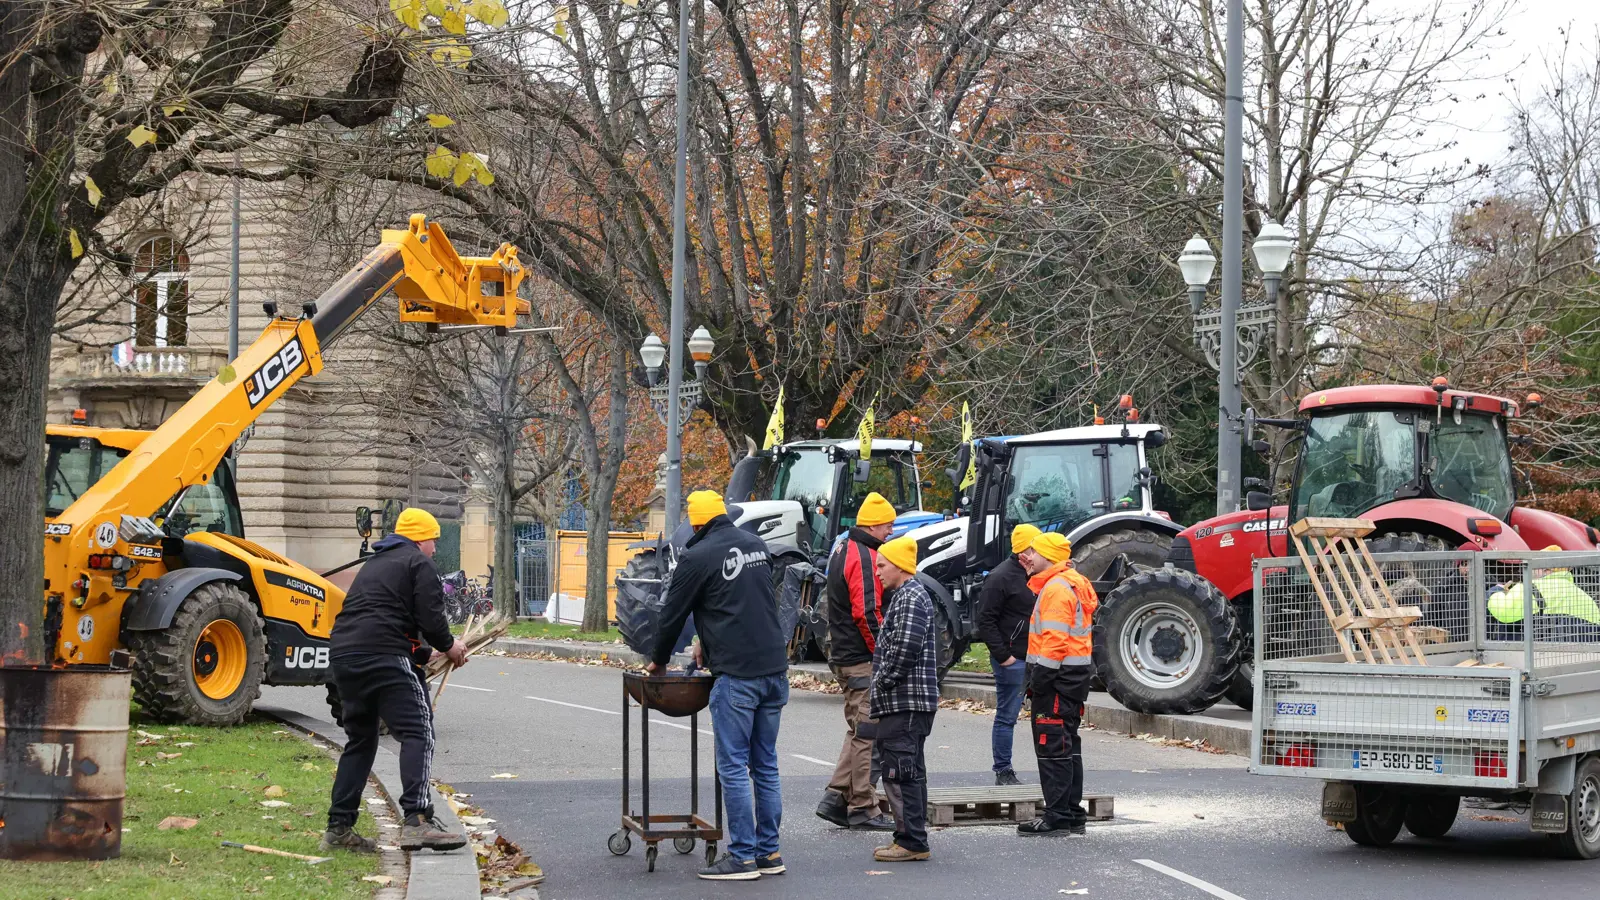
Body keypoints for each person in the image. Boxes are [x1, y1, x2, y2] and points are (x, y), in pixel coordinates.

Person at [650, 491, 790, 881]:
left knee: (732, 765)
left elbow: (672, 615)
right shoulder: (756, 545)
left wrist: (659, 661)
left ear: (696, 524)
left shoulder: (697, 556)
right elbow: (742, 603)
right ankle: (769, 852)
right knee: (765, 764)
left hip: (739, 677)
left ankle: (742, 857)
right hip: (775, 670)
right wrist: (704, 641)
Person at [323, 508, 470, 854]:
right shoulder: (419, 563)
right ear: (421, 538)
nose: (435, 548)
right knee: (419, 730)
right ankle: (417, 821)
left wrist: (422, 655)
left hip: (345, 656)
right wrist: (450, 646)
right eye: (433, 540)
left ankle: (339, 828)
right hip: (384, 656)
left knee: (360, 740)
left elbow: (379, 615)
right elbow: (431, 618)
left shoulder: (375, 564)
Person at [816, 491, 898, 831]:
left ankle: (836, 797)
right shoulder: (864, 556)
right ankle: (862, 805)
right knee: (867, 731)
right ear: (875, 525)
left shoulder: (843, 547)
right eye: (888, 527)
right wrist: (883, 652)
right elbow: (866, 611)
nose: (891, 533)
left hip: (843, 652)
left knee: (857, 729)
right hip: (859, 656)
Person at [1017, 531, 1098, 836]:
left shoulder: (1055, 590)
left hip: (1056, 681)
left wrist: (1038, 682)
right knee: (1067, 748)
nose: (1029, 557)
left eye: (1034, 553)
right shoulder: (1072, 584)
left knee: (1052, 749)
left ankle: (1057, 817)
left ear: (1048, 557)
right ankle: (1071, 812)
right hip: (1071, 681)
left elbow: (1053, 644)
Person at [867, 535, 940, 863]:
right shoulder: (906, 595)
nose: (878, 571)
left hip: (904, 702)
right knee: (908, 769)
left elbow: (904, 650)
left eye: (882, 565)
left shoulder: (910, 597)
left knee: (900, 770)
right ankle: (911, 835)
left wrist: (882, 681)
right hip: (906, 702)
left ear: (899, 565)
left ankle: (911, 840)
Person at [977, 523, 1041, 785]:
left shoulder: (1037, 574)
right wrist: (1004, 656)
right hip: (1013, 659)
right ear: (1025, 550)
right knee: (1007, 716)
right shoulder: (1000, 577)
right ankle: (1003, 770)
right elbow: (986, 620)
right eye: (1037, 547)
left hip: (1036, 657)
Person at [1487, 546, 1600, 642]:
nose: (1529, 570)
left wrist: (1496, 591)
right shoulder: (1581, 593)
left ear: (1546, 569)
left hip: (1545, 656)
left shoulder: (1531, 587)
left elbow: (1505, 611)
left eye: (1533, 566)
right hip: (1585, 656)